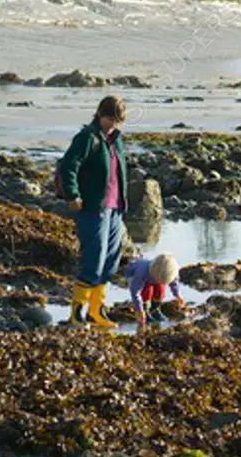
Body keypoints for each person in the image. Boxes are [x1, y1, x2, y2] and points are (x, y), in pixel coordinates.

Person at [61, 96, 128, 328]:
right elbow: (69, 165)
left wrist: (123, 203)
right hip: (93, 207)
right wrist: (72, 194)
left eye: (118, 121)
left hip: (115, 208)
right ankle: (76, 313)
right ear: (99, 114)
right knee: (94, 259)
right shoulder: (87, 138)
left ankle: (96, 311)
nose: (113, 125)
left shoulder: (117, 140)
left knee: (111, 260)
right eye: (110, 119)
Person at [125, 253, 184, 328]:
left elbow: (174, 282)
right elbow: (135, 291)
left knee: (160, 289)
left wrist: (177, 295)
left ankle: (155, 310)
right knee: (147, 291)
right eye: (157, 280)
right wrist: (139, 310)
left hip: (150, 277)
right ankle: (145, 311)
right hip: (133, 275)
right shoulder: (142, 273)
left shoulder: (171, 271)